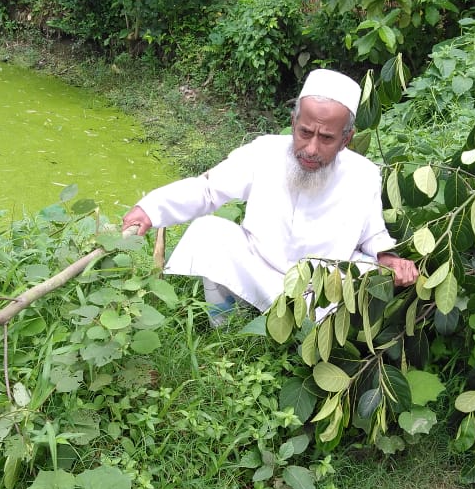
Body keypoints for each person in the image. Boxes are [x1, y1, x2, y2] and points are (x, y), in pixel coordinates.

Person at [122, 68, 418, 322]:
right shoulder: (264, 151)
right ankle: (225, 325)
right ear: (293, 123)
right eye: (305, 132)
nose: (312, 148)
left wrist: (389, 259)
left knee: (365, 274)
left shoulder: (363, 174)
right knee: (208, 232)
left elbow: (372, 235)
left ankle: (301, 329)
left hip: (318, 286)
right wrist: (149, 209)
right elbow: (208, 189)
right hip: (260, 265)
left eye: (326, 138)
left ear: (346, 139)